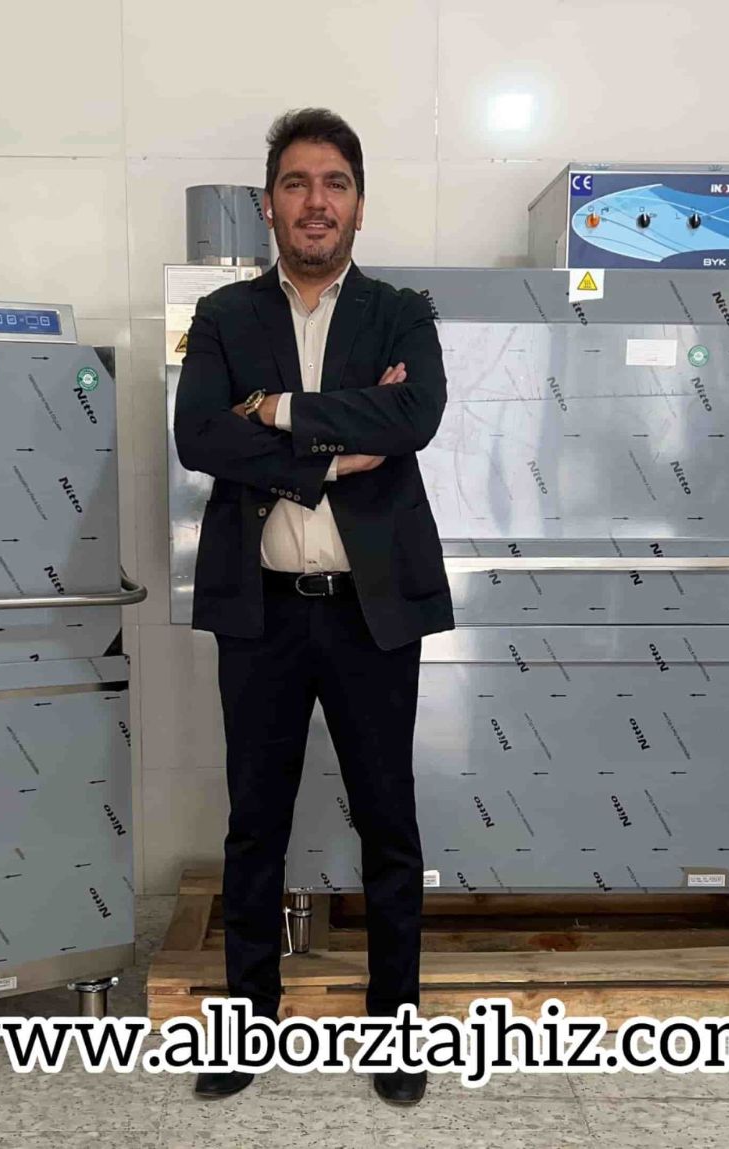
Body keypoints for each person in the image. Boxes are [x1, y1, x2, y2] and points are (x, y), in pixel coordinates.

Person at [173, 107, 453, 1106]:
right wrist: (334, 454)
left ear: (359, 205)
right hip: (262, 610)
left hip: (371, 611)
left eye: (334, 183)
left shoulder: (400, 313)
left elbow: (416, 413)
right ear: (269, 206)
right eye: (296, 183)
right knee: (256, 821)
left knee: (389, 821)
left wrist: (279, 410)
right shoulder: (224, 317)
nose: (316, 201)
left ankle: (397, 1030)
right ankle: (246, 1024)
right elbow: (200, 435)